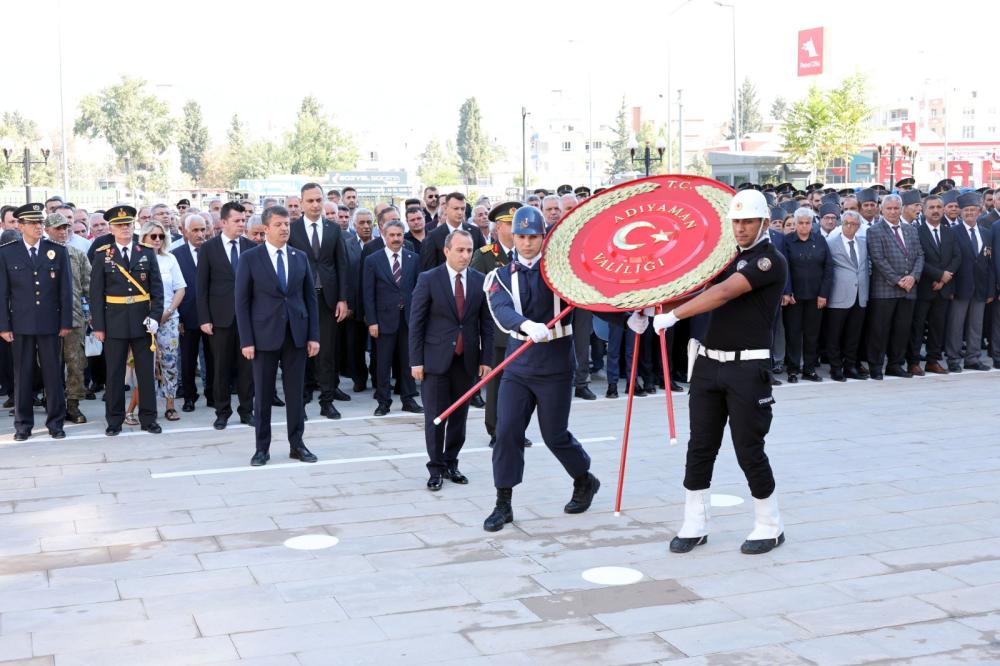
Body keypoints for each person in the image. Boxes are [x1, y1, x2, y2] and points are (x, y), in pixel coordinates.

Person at [649, 189, 788, 555]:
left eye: (747, 222)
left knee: (749, 449)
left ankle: (769, 524)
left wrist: (673, 316)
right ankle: (695, 521)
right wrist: (652, 309)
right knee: (700, 447)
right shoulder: (727, 258)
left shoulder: (768, 261)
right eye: (736, 222)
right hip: (709, 364)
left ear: (764, 223)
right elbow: (699, 289)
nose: (740, 228)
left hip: (747, 367)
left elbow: (725, 293)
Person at [483, 206, 598, 531]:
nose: (527, 243)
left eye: (533, 236)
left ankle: (584, 478)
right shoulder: (501, 276)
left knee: (554, 435)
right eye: (521, 236)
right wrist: (524, 324)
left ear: (543, 237)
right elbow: (500, 310)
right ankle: (502, 503)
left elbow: (594, 297)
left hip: (556, 365)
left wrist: (627, 315)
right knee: (507, 433)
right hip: (519, 365)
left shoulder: (563, 273)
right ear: (512, 235)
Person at [235, 206, 320, 466]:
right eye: (279, 224)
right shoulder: (250, 258)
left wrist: (313, 336)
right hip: (263, 337)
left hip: (296, 335)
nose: (285, 228)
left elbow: (310, 298)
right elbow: (242, 301)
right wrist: (246, 340)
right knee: (262, 396)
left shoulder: (299, 256)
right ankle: (262, 448)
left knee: (295, 395)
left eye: (287, 224)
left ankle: (297, 444)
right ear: (266, 228)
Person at [410, 229, 493, 491]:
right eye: (460, 250)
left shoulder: (480, 280)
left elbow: (487, 324)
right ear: (446, 251)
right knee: (436, 417)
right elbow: (416, 323)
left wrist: (486, 358)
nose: (465, 255)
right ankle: (435, 468)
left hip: (466, 360)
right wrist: (416, 361)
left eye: (469, 250)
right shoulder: (429, 279)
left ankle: (451, 463)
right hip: (435, 360)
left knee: (459, 416)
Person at [89, 206, 164, 436]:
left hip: (142, 320)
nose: (125, 229)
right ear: (111, 228)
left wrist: (154, 317)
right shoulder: (103, 254)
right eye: (120, 225)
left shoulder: (146, 252)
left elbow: (157, 290)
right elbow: (96, 293)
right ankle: (114, 420)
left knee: (145, 374)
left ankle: (149, 418)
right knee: (114, 374)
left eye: (129, 225)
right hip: (115, 321)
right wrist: (99, 327)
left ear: (134, 226)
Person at [0, 204, 73, 440]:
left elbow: (65, 291)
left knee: (53, 374)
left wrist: (65, 322)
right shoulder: (7, 252)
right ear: (21, 226)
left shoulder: (57, 251)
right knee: (23, 375)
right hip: (20, 324)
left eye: (40, 223)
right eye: (33, 223)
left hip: (50, 323)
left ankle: (56, 423)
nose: (38, 227)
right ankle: (23, 425)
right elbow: (2, 293)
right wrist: (4, 325)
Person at [470, 202, 532, 447]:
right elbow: (476, 295)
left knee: (522, 386)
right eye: (509, 224)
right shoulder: (486, 255)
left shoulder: (527, 254)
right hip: (497, 332)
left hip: (524, 332)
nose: (515, 229)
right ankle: (496, 430)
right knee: (497, 384)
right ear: (498, 227)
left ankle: (517, 428)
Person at [288, 183, 350, 419]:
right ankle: (301, 402)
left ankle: (327, 401)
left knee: (326, 353)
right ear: (302, 203)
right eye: (310, 201)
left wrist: (343, 299)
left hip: (327, 299)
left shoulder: (333, 229)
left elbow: (341, 265)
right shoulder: (291, 229)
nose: (315, 205)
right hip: (299, 300)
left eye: (318, 200)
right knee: (300, 352)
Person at [197, 202, 255, 429]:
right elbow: (201, 286)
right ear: (223, 222)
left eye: (244, 220)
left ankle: (247, 410)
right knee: (220, 368)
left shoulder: (251, 247)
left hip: (248, 319)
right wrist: (204, 318)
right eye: (237, 221)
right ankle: (222, 412)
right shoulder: (209, 248)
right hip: (219, 319)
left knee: (247, 368)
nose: (242, 224)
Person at [364, 220, 423, 417]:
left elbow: (419, 290)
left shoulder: (413, 258)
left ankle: (408, 399)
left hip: (408, 319)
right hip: (383, 320)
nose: (396, 239)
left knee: (408, 360)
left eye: (399, 235)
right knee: (383, 363)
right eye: (392, 235)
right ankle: (383, 401)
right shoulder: (373, 260)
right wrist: (372, 321)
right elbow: (368, 293)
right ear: (384, 235)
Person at [866, 194, 924, 379]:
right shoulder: (875, 231)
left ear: (901, 209)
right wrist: (899, 280)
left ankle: (895, 365)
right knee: (879, 330)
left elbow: (920, 255)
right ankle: (876, 366)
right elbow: (878, 259)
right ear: (881, 210)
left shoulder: (911, 230)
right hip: (885, 289)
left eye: (896, 208)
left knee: (902, 329)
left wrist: (913, 277)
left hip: (909, 289)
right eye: (889, 208)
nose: (892, 211)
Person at [45, 213, 91, 423]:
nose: (63, 231)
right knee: (50, 363)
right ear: (47, 230)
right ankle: (54, 404)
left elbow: (88, 286)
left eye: (65, 227)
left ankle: (73, 405)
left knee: (76, 363)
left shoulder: (77, 254)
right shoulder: (40, 254)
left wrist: (93, 314)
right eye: (58, 228)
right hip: (47, 320)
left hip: (73, 318)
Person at [908, 195, 960, 375]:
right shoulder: (916, 231)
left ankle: (933, 361)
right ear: (923, 210)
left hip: (944, 289)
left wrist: (945, 279)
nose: (936, 210)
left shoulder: (949, 231)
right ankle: (913, 362)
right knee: (918, 327)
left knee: (938, 327)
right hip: (924, 288)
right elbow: (917, 257)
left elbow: (956, 257)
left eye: (939, 207)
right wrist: (939, 275)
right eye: (931, 207)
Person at [140, 220, 186, 421]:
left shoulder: (170, 259)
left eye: (161, 236)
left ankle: (170, 404)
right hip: (144, 320)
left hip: (168, 319)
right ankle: (146, 406)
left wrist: (168, 311)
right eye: (153, 236)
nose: (157, 240)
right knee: (144, 365)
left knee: (169, 362)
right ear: (144, 238)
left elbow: (180, 288)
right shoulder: (137, 258)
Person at [946, 192, 995, 372]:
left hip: (981, 287)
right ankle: (953, 359)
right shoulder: (952, 232)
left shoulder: (986, 233)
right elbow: (949, 262)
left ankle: (973, 359)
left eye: (972, 210)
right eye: (965, 210)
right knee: (955, 325)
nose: (969, 213)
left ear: (979, 211)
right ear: (960, 212)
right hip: (959, 286)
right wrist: (950, 287)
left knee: (976, 325)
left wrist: (990, 290)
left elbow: (989, 264)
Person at [782, 207, 832, 382]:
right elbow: (784, 267)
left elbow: (828, 268)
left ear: (812, 223)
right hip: (794, 297)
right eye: (800, 223)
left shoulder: (819, 240)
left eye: (807, 223)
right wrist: (787, 291)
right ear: (795, 223)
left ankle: (809, 369)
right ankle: (793, 370)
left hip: (815, 296)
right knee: (793, 334)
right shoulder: (787, 241)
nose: (804, 226)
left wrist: (823, 294)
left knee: (812, 334)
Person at [173, 213, 214, 411]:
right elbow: (175, 288)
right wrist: (178, 316)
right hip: (186, 316)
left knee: (212, 357)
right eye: (195, 230)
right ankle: (189, 397)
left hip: (211, 316)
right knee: (187, 360)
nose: (200, 234)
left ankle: (212, 393)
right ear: (185, 232)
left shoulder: (212, 250)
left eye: (202, 230)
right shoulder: (177, 255)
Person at [824, 211, 869, 381]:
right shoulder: (831, 242)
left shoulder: (864, 243)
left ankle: (850, 366)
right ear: (841, 224)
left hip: (860, 295)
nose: (849, 227)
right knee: (834, 335)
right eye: (846, 223)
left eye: (853, 224)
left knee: (854, 334)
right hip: (838, 295)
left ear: (858, 226)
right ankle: (836, 368)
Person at [419, 192, 485, 270]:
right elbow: (430, 269)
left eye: (462, 209)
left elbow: (483, 261)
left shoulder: (476, 232)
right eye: (456, 208)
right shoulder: (434, 236)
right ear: (446, 209)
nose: (460, 212)